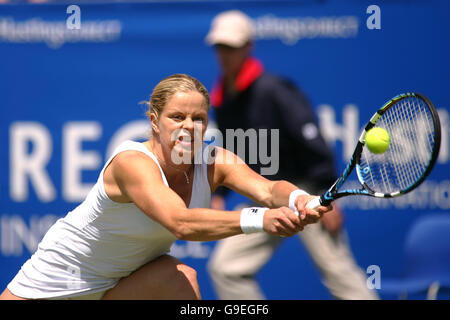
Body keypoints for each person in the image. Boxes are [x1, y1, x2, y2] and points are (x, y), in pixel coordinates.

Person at [0, 74, 330, 300]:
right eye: (177, 117)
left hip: (116, 290)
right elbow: (181, 223)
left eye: (198, 118)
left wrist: (301, 198)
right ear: (155, 121)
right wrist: (261, 220)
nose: (189, 126)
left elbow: (269, 190)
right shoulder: (132, 162)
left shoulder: (216, 161)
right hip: (50, 286)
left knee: (182, 278)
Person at [205, 10, 378, 300]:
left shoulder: (274, 90)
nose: (225, 54)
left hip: (308, 192)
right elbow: (233, 149)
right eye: (220, 47)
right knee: (225, 268)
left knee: (338, 272)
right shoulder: (223, 99)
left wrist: (327, 195)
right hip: (264, 197)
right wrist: (220, 190)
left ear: (248, 47)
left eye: (232, 47)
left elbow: (311, 140)